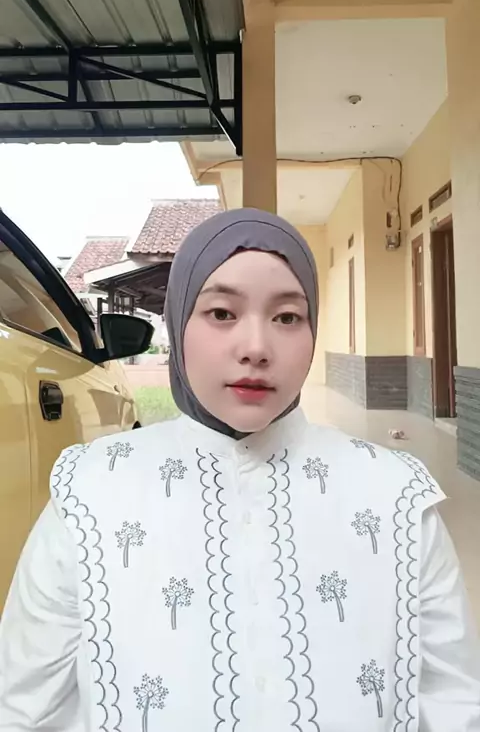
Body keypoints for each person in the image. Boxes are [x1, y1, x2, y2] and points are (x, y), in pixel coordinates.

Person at [0, 207, 479, 732]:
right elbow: (23, 708)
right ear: (178, 324)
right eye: (222, 313)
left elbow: (455, 705)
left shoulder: (396, 500)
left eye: (287, 317)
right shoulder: (89, 496)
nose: (256, 348)